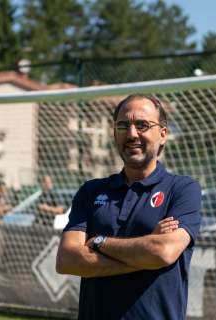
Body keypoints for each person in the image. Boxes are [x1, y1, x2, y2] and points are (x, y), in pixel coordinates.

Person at [56, 94, 202, 320]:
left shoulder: (182, 189)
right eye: (123, 125)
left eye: (142, 125)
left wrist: (99, 242)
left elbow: (163, 252)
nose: (132, 134)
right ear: (114, 133)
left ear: (163, 134)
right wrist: (144, 256)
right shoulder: (91, 191)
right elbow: (67, 260)